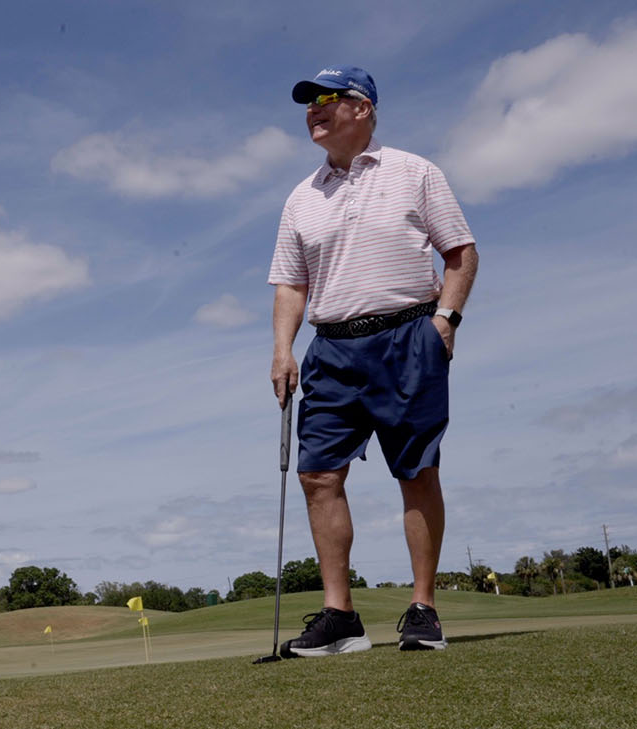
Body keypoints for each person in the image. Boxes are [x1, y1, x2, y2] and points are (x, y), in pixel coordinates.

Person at [267, 66, 479, 656]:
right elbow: (289, 283)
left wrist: (446, 322)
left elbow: (461, 253)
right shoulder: (300, 197)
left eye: (327, 99)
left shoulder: (415, 172)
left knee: (416, 472)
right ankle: (341, 616)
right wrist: (283, 350)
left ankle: (422, 608)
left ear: (363, 108)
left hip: (408, 336)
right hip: (331, 347)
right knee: (317, 475)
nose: (313, 110)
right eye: (308, 102)